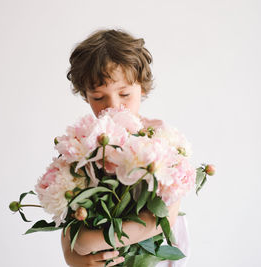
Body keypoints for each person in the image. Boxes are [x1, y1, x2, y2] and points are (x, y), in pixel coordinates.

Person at [61, 29, 190, 267]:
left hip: (154, 258)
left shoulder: (161, 138)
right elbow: (69, 222)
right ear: (85, 95)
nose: (114, 106)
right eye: (98, 97)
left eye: (125, 94)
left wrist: (88, 243)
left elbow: (164, 218)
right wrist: (74, 257)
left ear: (142, 87)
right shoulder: (83, 145)